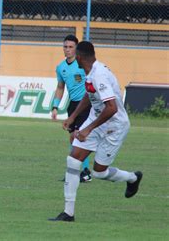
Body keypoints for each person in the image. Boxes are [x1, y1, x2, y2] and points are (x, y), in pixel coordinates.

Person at [49, 41, 143, 222]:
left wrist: (87, 129)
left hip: (114, 126)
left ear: (80, 57)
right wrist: (73, 117)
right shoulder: (91, 71)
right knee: (73, 159)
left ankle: (132, 178)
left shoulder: (99, 75)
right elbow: (89, 94)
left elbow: (111, 108)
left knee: (99, 172)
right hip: (96, 120)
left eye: (75, 53)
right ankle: (68, 213)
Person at [52, 35, 92, 183]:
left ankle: (85, 172)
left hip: (86, 103)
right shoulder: (61, 67)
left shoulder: (83, 65)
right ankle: (76, 170)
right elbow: (60, 87)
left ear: (76, 48)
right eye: (65, 47)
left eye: (70, 47)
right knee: (72, 138)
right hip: (73, 105)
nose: (67, 50)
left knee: (79, 136)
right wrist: (55, 106)